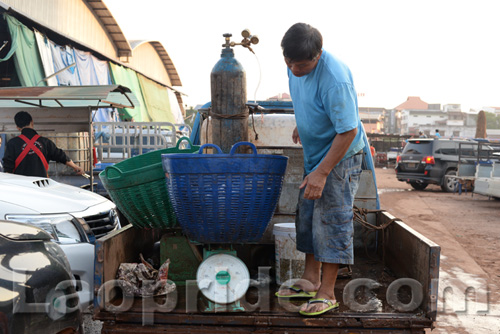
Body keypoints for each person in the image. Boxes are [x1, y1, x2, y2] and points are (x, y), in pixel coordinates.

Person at [276, 23, 365, 316]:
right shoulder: (294, 64)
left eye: (300, 64)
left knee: (331, 220)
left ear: (318, 55)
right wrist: (302, 125)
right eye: (288, 62)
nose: (293, 69)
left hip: (340, 157)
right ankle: (311, 280)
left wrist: (323, 172)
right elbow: (306, 98)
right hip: (317, 153)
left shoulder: (335, 79)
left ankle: (328, 292)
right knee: (308, 216)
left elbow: (349, 130)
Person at [2, 111, 84, 178]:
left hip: (22, 188)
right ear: (32, 122)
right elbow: (61, 156)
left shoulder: (12, 143)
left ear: (17, 127)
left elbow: (8, 168)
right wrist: (75, 167)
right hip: (41, 187)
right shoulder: (45, 142)